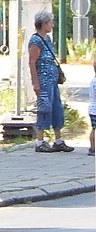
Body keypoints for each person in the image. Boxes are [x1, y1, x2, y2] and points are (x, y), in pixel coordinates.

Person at [28, 10, 73, 152]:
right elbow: (32, 62)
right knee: (44, 109)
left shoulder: (47, 39)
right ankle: (40, 142)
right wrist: (35, 82)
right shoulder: (35, 41)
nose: (52, 25)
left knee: (57, 109)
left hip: (52, 80)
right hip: (43, 81)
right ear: (43, 24)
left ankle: (58, 140)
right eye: (50, 22)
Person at [88, 59, 96, 156]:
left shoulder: (93, 80)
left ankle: (92, 148)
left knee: (93, 128)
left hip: (92, 109)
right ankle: (93, 147)